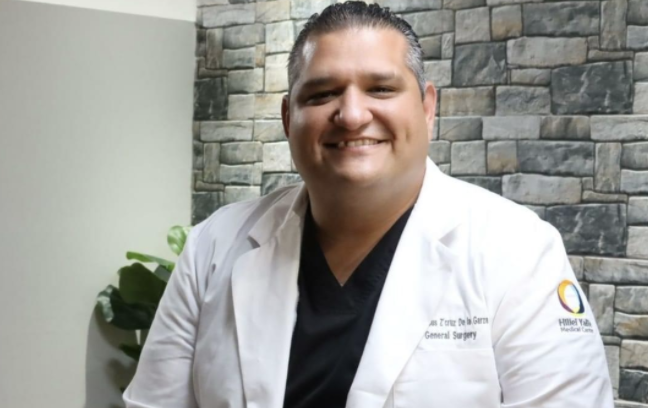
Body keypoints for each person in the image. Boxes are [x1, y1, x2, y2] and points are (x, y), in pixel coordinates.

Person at [123, 2, 614, 407]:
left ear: (427, 107)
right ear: (288, 117)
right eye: (322, 94)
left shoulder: (518, 251)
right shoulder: (213, 246)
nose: (353, 115)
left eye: (380, 88)